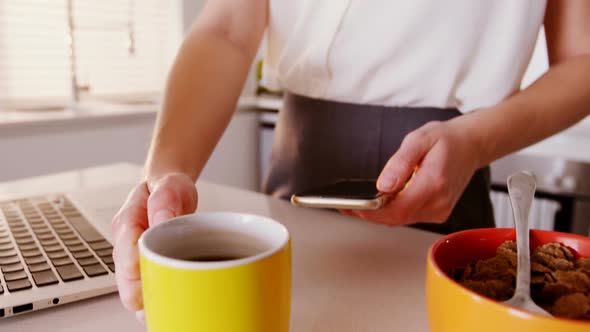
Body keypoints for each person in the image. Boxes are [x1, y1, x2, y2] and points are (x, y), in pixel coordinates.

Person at [111, 0, 590, 315]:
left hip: (452, 176)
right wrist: (166, 173)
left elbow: (580, 59)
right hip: (294, 178)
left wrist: (476, 141)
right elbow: (227, 29)